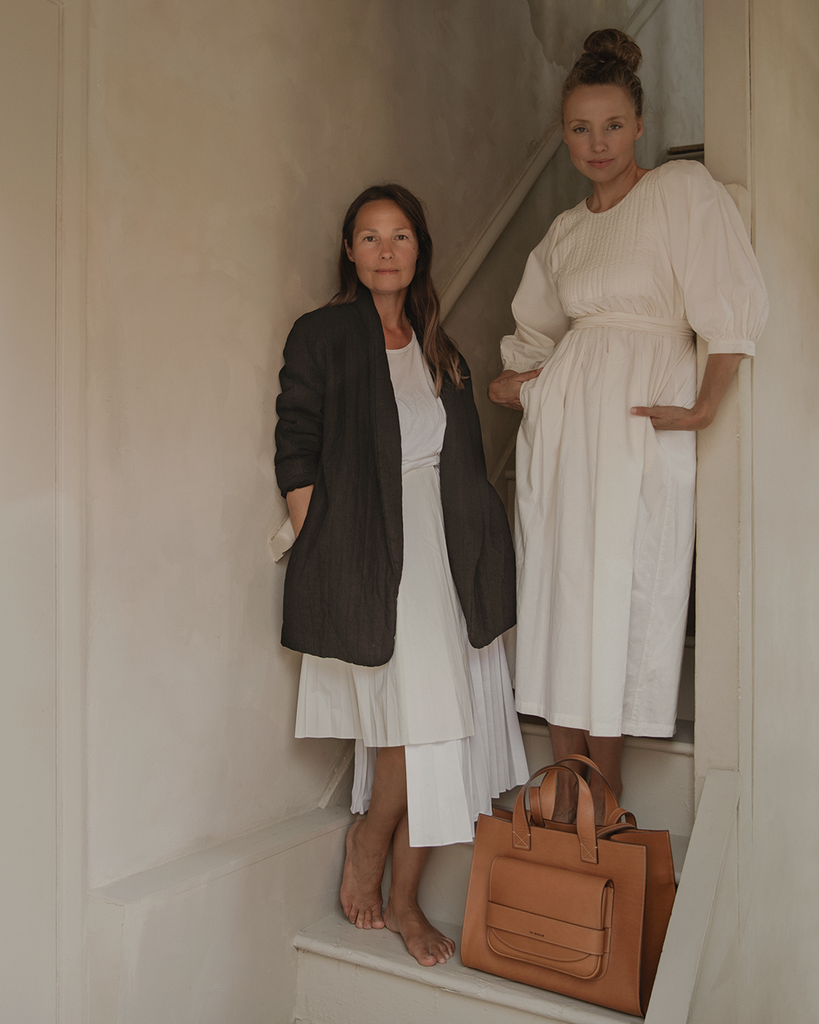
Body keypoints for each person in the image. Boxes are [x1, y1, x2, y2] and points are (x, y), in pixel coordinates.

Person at [488, 29, 768, 818]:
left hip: (638, 420)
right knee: (557, 589)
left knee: (622, 590)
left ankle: (598, 799)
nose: (595, 143)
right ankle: (560, 792)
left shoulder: (682, 192)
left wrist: (706, 403)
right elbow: (534, 331)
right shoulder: (564, 233)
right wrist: (521, 385)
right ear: (563, 133)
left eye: (610, 125)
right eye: (579, 128)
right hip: (565, 429)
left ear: (638, 125)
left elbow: (731, 303)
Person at [275, 183, 528, 966]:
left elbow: (460, 466)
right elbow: (297, 439)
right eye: (369, 236)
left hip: (443, 547)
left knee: (440, 728)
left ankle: (395, 880)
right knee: (421, 722)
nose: (386, 250)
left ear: (419, 249)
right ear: (349, 251)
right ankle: (376, 852)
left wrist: (485, 551)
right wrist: (325, 541)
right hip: (373, 545)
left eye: (400, 236)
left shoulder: (439, 346)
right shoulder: (322, 334)